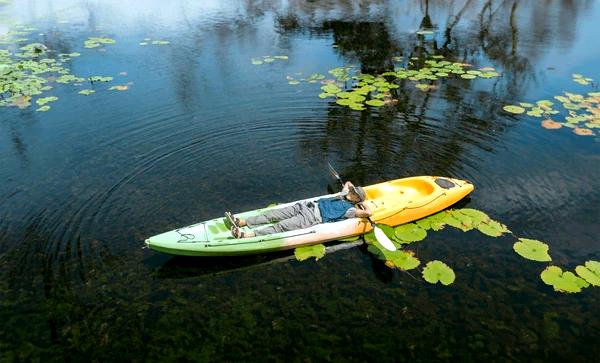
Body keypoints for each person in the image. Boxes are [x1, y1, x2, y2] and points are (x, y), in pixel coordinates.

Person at [226, 181, 372, 238]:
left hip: (310, 218)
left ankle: (247, 235)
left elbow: (368, 213)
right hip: (303, 206)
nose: (351, 193)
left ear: (357, 199)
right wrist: (351, 189)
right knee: (272, 214)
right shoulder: (343, 194)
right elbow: (347, 183)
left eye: (355, 194)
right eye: (353, 191)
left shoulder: (351, 210)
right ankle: (242, 222)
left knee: (281, 226)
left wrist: (363, 204)